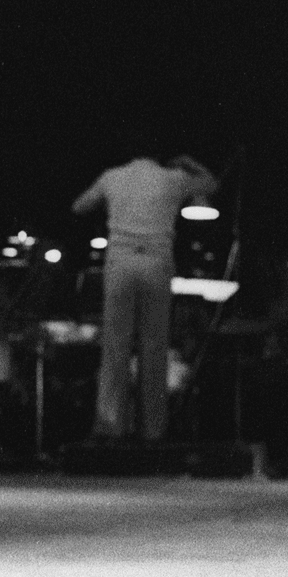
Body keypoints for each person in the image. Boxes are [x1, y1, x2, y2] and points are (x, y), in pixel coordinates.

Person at [73, 151, 217, 441]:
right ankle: (153, 429)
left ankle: (110, 424)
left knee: (116, 346)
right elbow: (211, 184)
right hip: (157, 264)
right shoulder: (173, 179)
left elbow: (79, 206)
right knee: (154, 347)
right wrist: (189, 161)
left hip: (121, 263)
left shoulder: (112, 176)